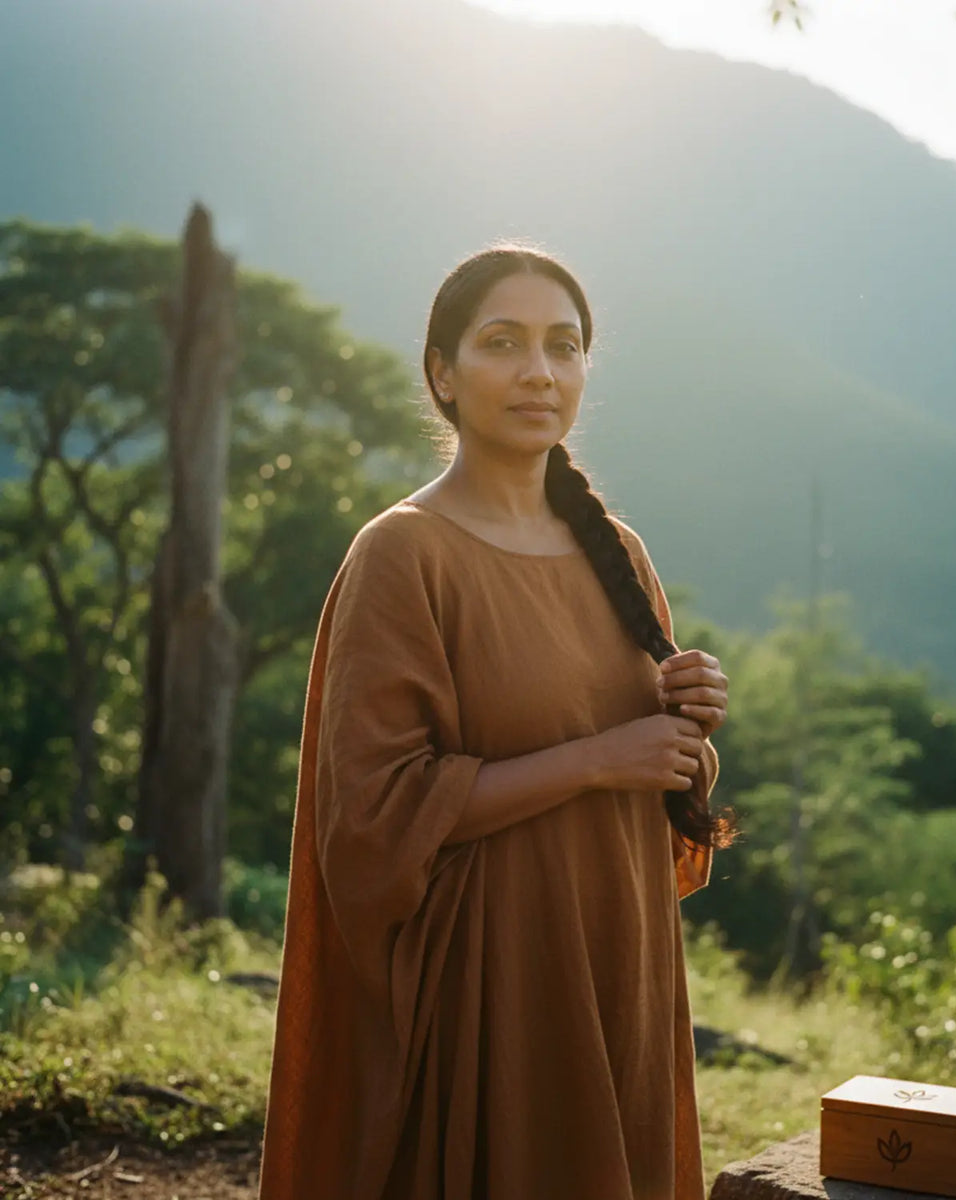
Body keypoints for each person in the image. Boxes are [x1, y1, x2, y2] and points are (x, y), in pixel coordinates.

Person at [257, 244, 731, 1200]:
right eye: (503, 343)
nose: (538, 371)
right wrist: (602, 757)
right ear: (442, 372)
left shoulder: (618, 553)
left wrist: (688, 729)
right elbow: (377, 813)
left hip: (618, 951)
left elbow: (658, 773)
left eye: (564, 346)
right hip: (492, 975)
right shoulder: (403, 554)